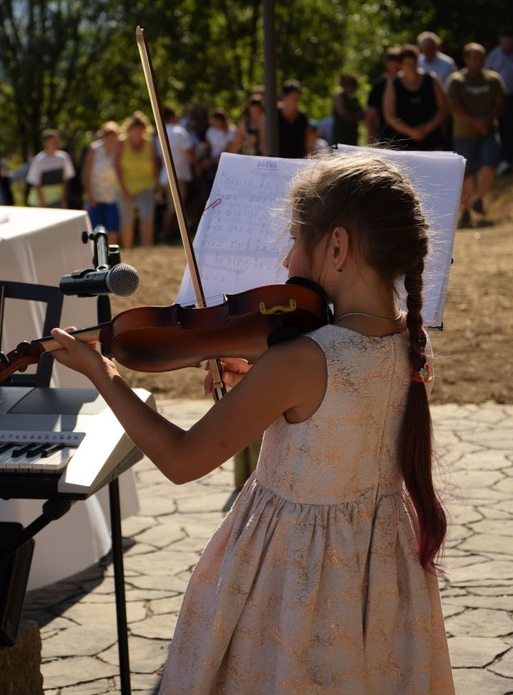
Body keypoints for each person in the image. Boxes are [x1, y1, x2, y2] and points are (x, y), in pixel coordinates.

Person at [49, 151, 454, 694]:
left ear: (337, 246)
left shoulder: (302, 358)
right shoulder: (408, 342)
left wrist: (104, 374)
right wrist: (263, 386)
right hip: (380, 572)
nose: (288, 259)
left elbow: (182, 460)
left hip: (293, 578)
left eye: (294, 240)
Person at [446, 42, 505, 228]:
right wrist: (475, 122)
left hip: (488, 132)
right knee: (467, 174)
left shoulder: (493, 79)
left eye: (480, 57)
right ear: (465, 59)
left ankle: (479, 199)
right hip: (464, 134)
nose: (478, 61)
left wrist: (486, 121)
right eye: (474, 57)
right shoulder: (457, 80)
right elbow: (454, 106)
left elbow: (500, 103)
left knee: (490, 164)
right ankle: (466, 210)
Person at [383, 44, 449, 151]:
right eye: (408, 64)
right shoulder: (394, 84)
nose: (411, 67)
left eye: (414, 64)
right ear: (401, 65)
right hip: (403, 142)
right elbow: (389, 114)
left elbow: (443, 108)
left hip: (432, 139)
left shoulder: (431, 79)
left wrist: (426, 129)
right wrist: (410, 131)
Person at [114, 111, 158, 248]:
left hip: (145, 185)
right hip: (123, 186)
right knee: (127, 220)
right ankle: (128, 249)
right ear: (129, 129)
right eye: (134, 129)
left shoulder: (149, 143)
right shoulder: (121, 142)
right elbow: (116, 167)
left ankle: (147, 246)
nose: (137, 132)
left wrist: (158, 186)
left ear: (145, 129)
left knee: (147, 216)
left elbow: (154, 165)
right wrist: (124, 189)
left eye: (140, 129)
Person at [155, 107, 196, 243]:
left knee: (175, 208)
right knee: (174, 208)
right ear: (173, 117)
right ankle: (164, 235)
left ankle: (170, 235)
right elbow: (189, 150)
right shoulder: (179, 131)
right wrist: (198, 165)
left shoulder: (159, 134)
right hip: (179, 175)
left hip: (165, 176)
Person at [81, 122, 121, 246]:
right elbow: (86, 175)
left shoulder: (119, 149)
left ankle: (111, 257)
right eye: (108, 135)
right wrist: (90, 196)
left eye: (113, 135)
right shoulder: (94, 149)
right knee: (96, 230)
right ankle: (97, 258)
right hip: (96, 196)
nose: (111, 139)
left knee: (113, 228)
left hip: (113, 196)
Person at [484, 28, 513, 175]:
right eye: (504, 41)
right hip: (500, 98)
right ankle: (504, 160)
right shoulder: (494, 55)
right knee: (503, 128)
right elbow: (487, 75)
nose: (507, 44)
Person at [25, 129, 76, 208]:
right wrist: (42, 203)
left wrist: (63, 199)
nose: (54, 145)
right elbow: (36, 183)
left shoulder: (63, 157)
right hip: (39, 202)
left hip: (57, 200)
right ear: (45, 144)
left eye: (56, 142)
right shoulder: (39, 160)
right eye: (51, 143)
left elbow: (65, 179)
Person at [365, 47, 402, 145]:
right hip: (386, 138)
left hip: (411, 138)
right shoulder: (378, 87)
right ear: (387, 64)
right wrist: (371, 141)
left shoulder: (409, 84)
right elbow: (370, 117)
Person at [276, 80, 316, 158]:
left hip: (298, 162)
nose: (296, 101)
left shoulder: (302, 117)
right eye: (293, 98)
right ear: (284, 96)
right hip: (278, 163)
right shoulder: (273, 116)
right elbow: (264, 143)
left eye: (298, 98)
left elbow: (309, 143)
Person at [331, 73, 364, 146]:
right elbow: (343, 113)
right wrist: (354, 118)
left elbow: (362, 113)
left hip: (352, 133)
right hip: (341, 133)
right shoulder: (338, 97)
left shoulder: (354, 99)